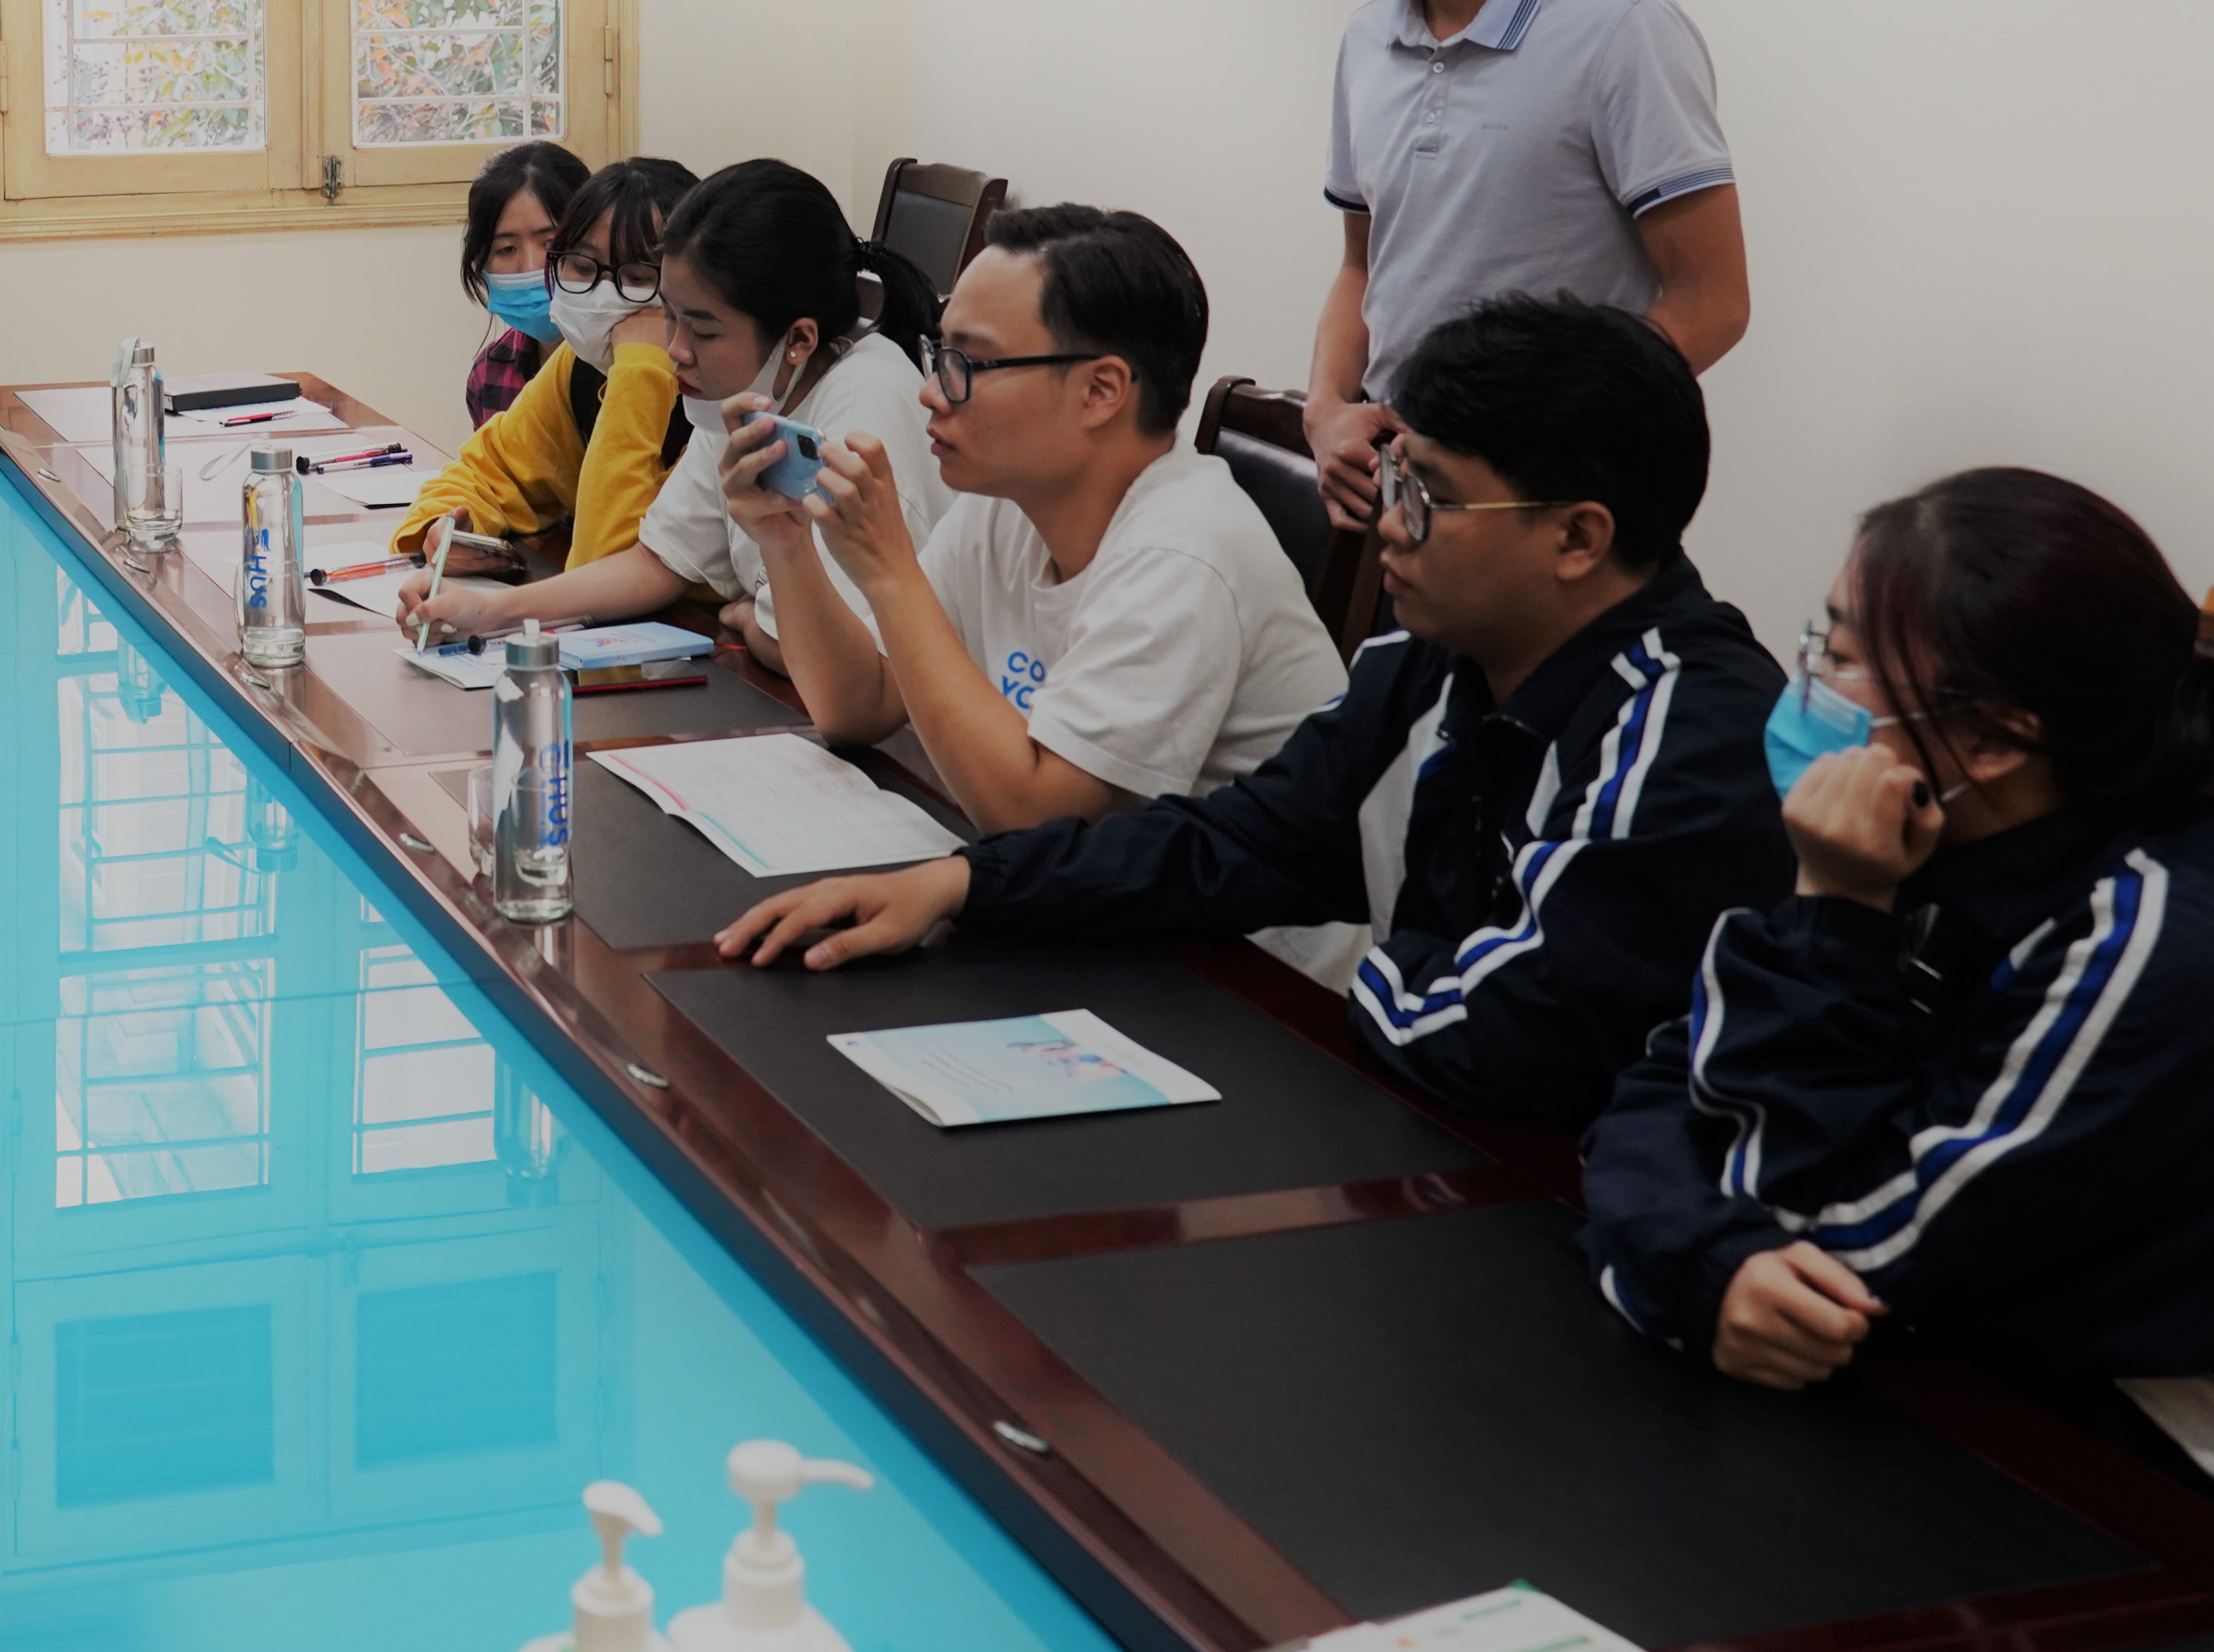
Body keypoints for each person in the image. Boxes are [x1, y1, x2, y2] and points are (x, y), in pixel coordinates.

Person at [1580, 470, 2214, 1630]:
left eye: (1842, 657)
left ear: (1991, 736)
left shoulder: (2152, 952)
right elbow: (1669, 1072)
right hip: (2043, 1414)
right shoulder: (1934, 839)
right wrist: (1697, 1256)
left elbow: (1823, 1247)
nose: (1808, 683)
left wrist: (1831, 918)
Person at [717, 297, 1786, 1131]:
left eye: (1426, 496)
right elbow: (1236, 843)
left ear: (1577, 537)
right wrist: (962, 883)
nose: (1386, 525)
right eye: (1391, 476)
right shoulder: (1432, 656)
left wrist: (1340, 968)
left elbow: (1510, 1038)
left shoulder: (1689, 734)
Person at [735, 201, 1342, 837]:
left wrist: (890, 572)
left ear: (1100, 391)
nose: (930, 391)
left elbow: (1036, 821)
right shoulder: (1006, 502)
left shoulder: (1184, 554)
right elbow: (856, 708)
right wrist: (786, 542)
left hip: (1241, 906)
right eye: (939, 353)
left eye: (968, 364)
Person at [1301, 0, 1747, 530]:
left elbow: (1712, 300)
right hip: (1403, 502)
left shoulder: (1621, 30)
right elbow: (1362, 267)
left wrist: (1540, 442)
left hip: (1546, 509)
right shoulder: (1365, 40)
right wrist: (1325, 409)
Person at [406, 160, 953, 649]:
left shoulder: (861, 414)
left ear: (799, 339)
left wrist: (755, 623)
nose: (674, 349)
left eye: (703, 331)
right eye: (671, 316)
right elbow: (656, 560)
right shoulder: (743, 391)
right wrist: (489, 611)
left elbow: (839, 657)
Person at [391, 157, 699, 584]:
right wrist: (449, 525)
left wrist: (642, 368)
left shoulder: (723, 401)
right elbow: (489, 471)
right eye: (584, 268)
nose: (603, 295)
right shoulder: (577, 368)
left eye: (638, 275)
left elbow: (604, 567)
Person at [454, 141, 590, 429]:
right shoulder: (489, 374)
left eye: (550, 243)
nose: (531, 267)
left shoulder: (629, 365)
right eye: (506, 249)